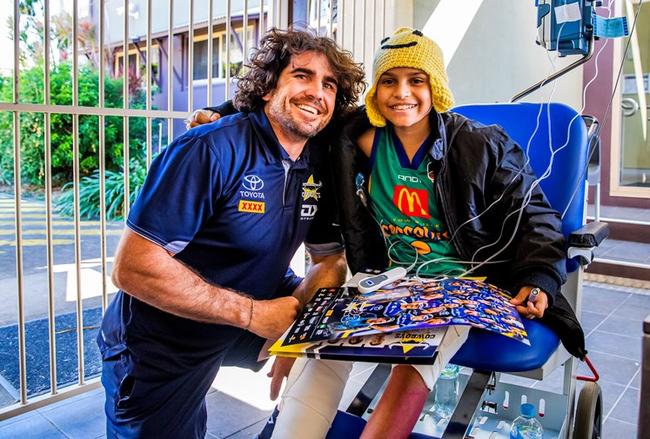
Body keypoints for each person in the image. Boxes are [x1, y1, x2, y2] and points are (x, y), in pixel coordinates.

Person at [191, 28, 586, 439]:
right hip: (382, 276)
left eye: (417, 80)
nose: (402, 93)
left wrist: (539, 277)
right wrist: (223, 114)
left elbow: (535, 216)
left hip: (456, 285)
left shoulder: (482, 144)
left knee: (415, 360)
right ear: (375, 91)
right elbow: (292, 107)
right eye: (388, 81)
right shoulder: (351, 136)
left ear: (436, 88)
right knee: (320, 355)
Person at [96, 28, 365, 439]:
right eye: (302, 76)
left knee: (339, 339)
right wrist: (256, 316)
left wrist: (295, 336)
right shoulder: (211, 148)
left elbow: (329, 260)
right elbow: (133, 268)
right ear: (267, 87)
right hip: (161, 343)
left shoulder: (317, 161)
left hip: (240, 309)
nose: (316, 92)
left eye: (328, 84)